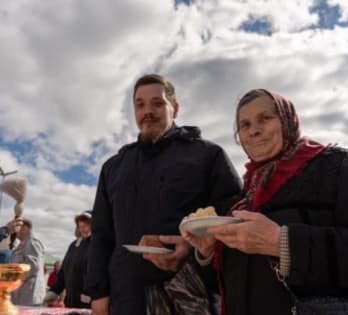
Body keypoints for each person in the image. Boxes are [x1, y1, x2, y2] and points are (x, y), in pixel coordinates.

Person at [181, 89, 348, 315]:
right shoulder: (243, 202)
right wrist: (208, 253)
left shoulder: (345, 166)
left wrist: (283, 243)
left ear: (288, 119)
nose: (254, 130)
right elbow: (234, 289)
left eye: (265, 118)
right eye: (245, 125)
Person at [85, 74, 241, 315]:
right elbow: (102, 235)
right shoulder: (114, 167)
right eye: (140, 104)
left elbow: (233, 217)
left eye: (158, 103)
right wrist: (98, 293)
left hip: (192, 294)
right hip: (127, 296)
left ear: (175, 108)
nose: (148, 111)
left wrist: (194, 250)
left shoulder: (207, 156)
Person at [45, 211, 92, 308]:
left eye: (86, 225)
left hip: (90, 303)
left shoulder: (98, 245)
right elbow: (63, 273)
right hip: (70, 302)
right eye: (80, 226)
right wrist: (54, 291)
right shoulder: (73, 245)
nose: (83, 229)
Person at [10, 217, 46, 306]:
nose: (15, 230)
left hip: (29, 296)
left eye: (18, 227)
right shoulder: (21, 245)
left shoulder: (32, 243)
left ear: (26, 228)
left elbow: (33, 266)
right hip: (21, 295)